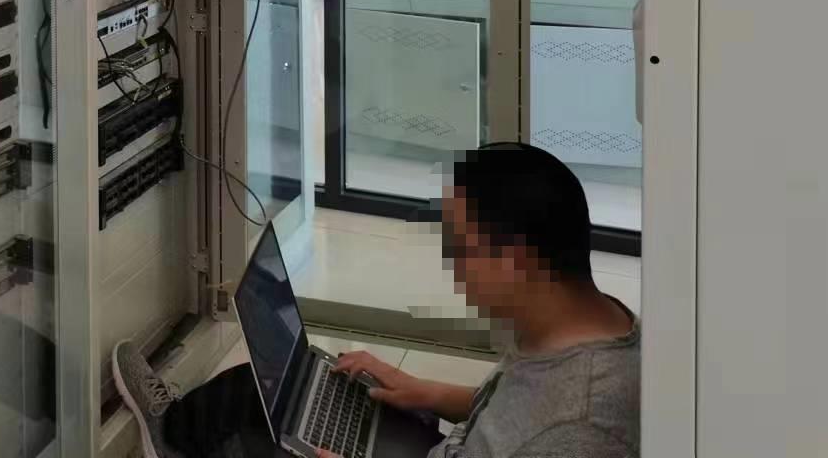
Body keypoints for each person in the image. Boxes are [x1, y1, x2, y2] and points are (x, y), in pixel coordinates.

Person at [113, 142, 639, 458]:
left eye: (461, 249)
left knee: (260, 431)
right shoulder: (578, 323)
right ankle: (177, 429)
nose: (454, 267)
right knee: (277, 389)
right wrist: (422, 391)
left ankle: (173, 440)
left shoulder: (579, 426)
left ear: (516, 258)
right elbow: (510, 409)